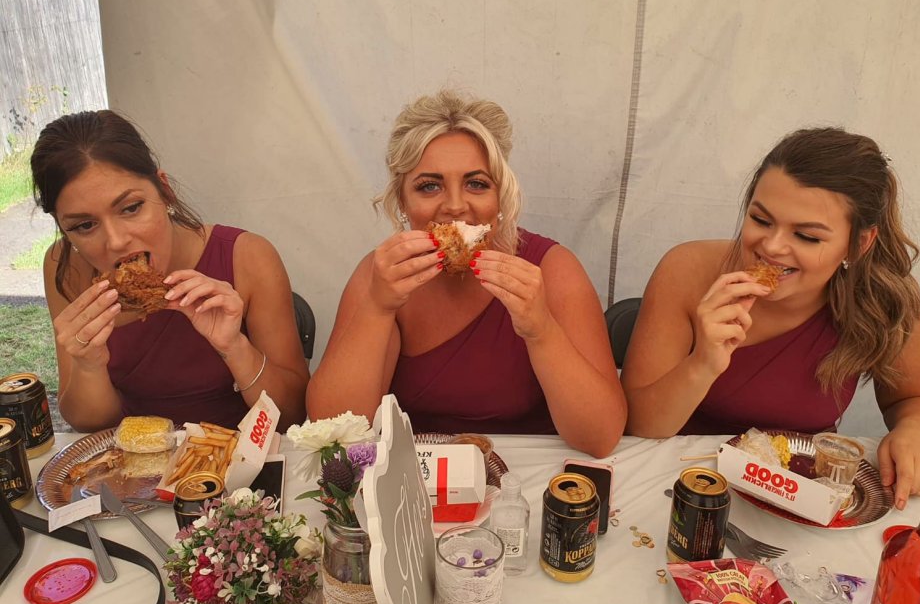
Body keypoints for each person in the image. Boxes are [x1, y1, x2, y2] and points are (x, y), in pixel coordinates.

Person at [621, 128, 920, 509]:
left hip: (799, 496)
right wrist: (703, 363)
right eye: (761, 220)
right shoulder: (687, 271)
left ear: (859, 243)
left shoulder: (885, 297)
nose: (772, 247)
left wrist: (915, 430)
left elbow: (919, 398)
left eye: (807, 236)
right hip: (682, 486)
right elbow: (641, 426)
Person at [306, 90, 626, 457]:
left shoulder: (551, 269)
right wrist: (378, 307)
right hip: (417, 482)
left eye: (476, 184)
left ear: (500, 197)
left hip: (526, 479)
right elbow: (332, 432)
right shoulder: (382, 275)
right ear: (403, 201)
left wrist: (540, 330)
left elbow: (599, 437)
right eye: (430, 186)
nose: (456, 206)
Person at [31, 110, 308, 432]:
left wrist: (235, 348)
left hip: (243, 463)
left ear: (164, 189)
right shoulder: (66, 268)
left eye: (131, 208)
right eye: (84, 226)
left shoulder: (248, 257)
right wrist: (88, 365)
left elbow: (292, 415)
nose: (117, 241)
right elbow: (89, 422)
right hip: (133, 465)